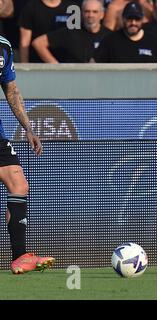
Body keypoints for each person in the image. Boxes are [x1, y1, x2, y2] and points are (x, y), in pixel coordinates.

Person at [0, 35, 55, 274]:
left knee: (19, 185)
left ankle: (20, 256)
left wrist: (28, 128)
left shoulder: (4, 46)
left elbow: (11, 89)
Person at [32, 0, 111, 63]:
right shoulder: (70, 32)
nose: (90, 15)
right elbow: (38, 43)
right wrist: (56, 66)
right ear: (81, 13)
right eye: (87, 11)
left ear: (102, 15)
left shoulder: (109, 36)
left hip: (99, 79)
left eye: (95, 12)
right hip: (72, 79)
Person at [93, 1, 157, 62]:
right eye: (129, 19)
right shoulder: (110, 41)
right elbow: (93, 65)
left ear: (142, 20)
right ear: (123, 18)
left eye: (137, 19)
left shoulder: (152, 41)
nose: (133, 23)